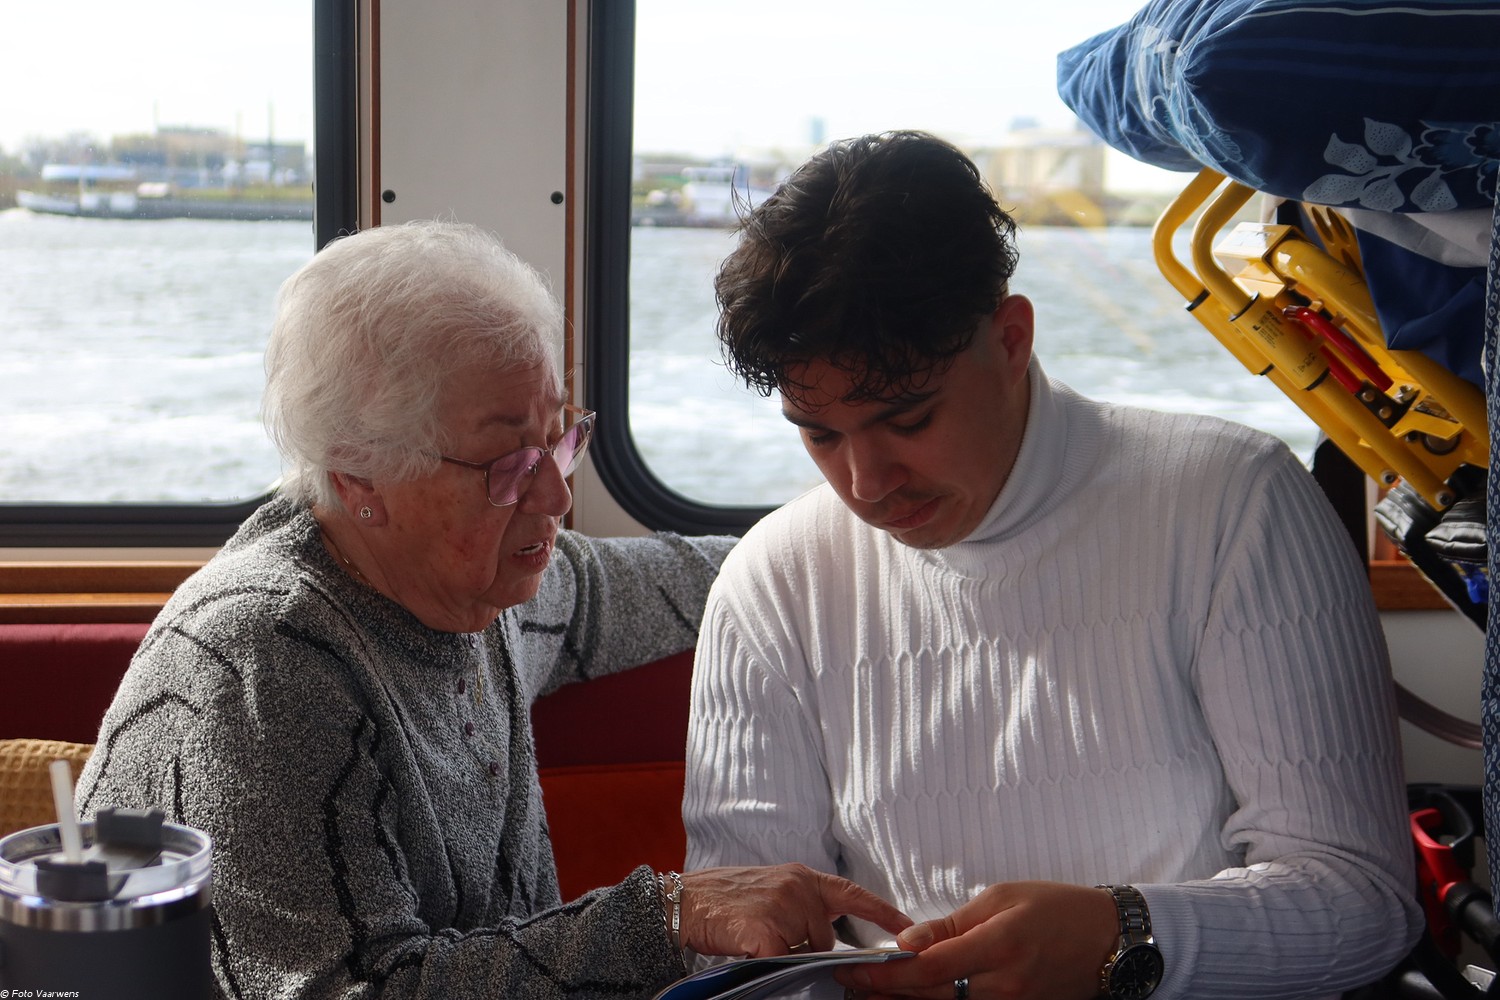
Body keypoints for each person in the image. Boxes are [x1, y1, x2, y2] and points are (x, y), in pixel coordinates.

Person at [76, 220, 908, 1000]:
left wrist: (870, 544)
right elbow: (355, 990)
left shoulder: (490, 590)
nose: (556, 497)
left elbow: (682, 577)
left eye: (561, 439)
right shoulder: (265, 664)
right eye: (509, 465)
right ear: (361, 475)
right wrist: (663, 918)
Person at [683, 131, 1423, 1000]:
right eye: (819, 435)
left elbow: (1361, 898)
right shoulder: (770, 582)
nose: (866, 484)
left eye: (909, 420)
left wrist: (1126, 936)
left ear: (1011, 340)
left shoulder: (1234, 501)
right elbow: (737, 958)